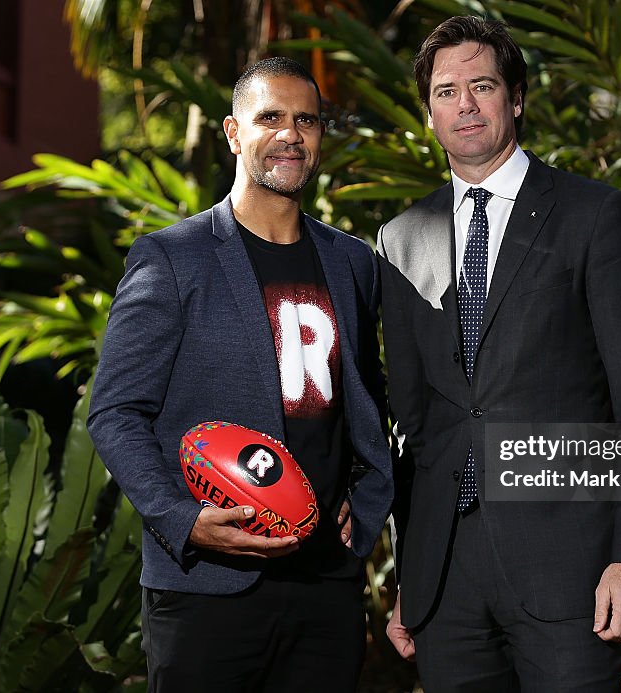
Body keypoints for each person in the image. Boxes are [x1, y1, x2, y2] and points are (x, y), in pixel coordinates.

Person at [377, 16, 621, 692]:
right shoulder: (400, 239)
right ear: (429, 114)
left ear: (516, 99)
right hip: (447, 581)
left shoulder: (594, 217)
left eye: (482, 85)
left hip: (573, 571)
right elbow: (413, 427)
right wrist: (411, 573)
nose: (465, 105)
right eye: (447, 91)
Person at [88, 57, 393, 693]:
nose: (291, 134)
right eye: (271, 118)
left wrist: (365, 509)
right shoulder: (172, 257)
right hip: (207, 589)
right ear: (233, 132)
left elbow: (368, 402)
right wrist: (180, 518)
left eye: (306, 120)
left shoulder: (353, 262)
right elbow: (115, 411)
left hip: (325, 585)